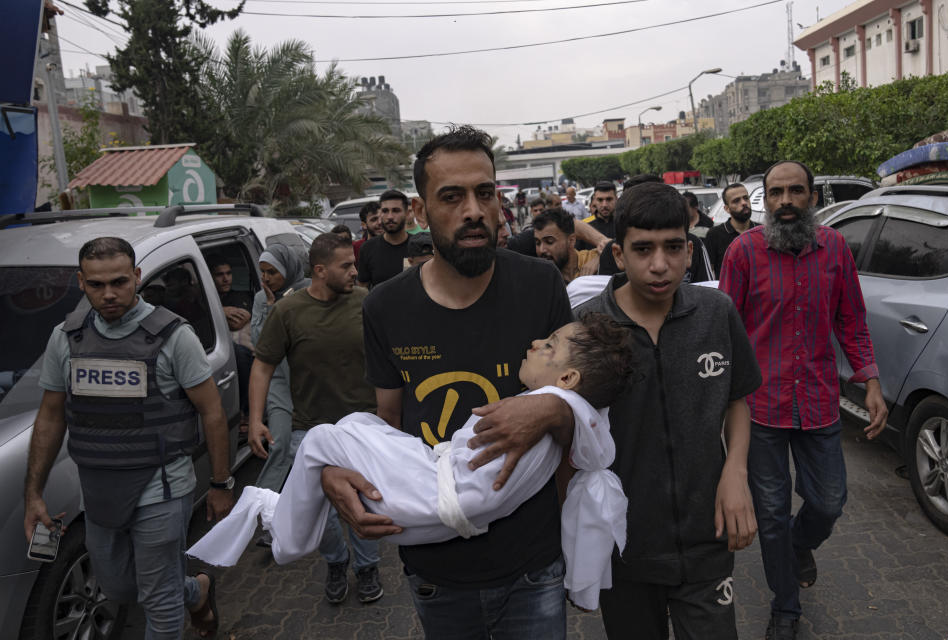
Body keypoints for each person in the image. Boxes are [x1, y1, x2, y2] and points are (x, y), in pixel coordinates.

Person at [188, 314, 633, 612]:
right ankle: (284, 518)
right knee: (357, 426)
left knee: (324, 436)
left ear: (568, 379)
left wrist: (552, 404)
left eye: (550, 345)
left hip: (433, 501)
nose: (536, 342)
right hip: (440, 500)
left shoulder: (550, 408)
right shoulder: (576, 420)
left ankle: (283, 529)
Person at [322, 126, 580, 639]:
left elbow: (580, 405)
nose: (473, 210)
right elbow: (387, 424)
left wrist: (551, 413)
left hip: (533, 562)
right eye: (452, 196)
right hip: (435, 569)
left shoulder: (539, 283)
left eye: (484, 193)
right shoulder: (385, 307)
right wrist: (336, 471)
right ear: (420, 211)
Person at [574, 182, 763, 640]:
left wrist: (736, 472)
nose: (660, 264)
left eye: (673, 247)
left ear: (690, 247)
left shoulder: (716, 313)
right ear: (618, 255)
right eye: (643, 249)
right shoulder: (586, 330)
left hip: (707, 536)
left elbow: (737, 398)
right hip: (624, 546)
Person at [24, 237, 233, 638]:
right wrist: (33, 494)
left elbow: (212, 412)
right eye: (97, 285)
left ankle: (178, 596)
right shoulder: (66, 338)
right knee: (119, 587)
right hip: (99, 488)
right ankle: (196, 590)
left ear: (137, 277)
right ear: (81, 282)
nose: (109, 294)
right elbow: (50, 417)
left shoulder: (173, 336)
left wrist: (221, 483)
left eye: (119, 282)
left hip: (162, 486)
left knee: (159, 601)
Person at [719, 161, 888, 640]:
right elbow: (726, 333)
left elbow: (851, 320)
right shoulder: (742, 253)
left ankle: (800, 543)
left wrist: (870, 381)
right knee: (769, 514)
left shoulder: (835, 249)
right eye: (776, 193)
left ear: (812, 197)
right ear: (764, 200)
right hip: (761, 407)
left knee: (829, 501)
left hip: (818, 401)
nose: (785, 201)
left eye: (796, 191)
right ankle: (785, 606)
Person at [248, 233, 383, 604]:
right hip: (308, 429)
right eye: (346, 266)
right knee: (319, 510)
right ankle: (336, 561)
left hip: (362, 426)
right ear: (320, 271)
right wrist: (257, 420)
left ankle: (368, 567)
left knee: (363, 501)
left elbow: (389, 359)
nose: (355, 271)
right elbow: (262, 366)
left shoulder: (365, 302)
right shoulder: (288, 312)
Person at [248, 243, 310, 535]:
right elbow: (261, 343)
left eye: (272, 272)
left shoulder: (308, 291)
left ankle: (309, 510)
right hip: (278, 382)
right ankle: (263, 514)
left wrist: (280, 309)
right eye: (262, 272)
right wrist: (271, 308)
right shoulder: (262, 298)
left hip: (308, 379)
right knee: (280, 443)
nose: (267, 279)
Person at [206, 254, 254, 431]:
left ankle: (246, 411)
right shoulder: (204, 299)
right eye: (219, 274)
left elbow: (237, 322)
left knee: (241, 355)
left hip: (239, 350)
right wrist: (221, 312)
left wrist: (214, 313)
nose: (226, 278)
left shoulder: (240, 296)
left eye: (228, 273)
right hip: (213, 349)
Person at [357, 189, 411, 289]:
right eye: (385, 211)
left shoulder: (418, 246)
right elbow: (362, 289)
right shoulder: (368, 248)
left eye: (396, 210)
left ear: (407, 214)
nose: (390, 216)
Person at [703, 183, 758, 276]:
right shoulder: (714, 235)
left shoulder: (761, 231)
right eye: (736, 201)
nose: (744, 203)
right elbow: (709, 270)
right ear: (727, 209)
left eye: (746, 198)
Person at [534, 208, 599, 283]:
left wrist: (600, 258)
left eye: (549, 241)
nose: (541, 249)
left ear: (571, 241)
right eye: (537, 243)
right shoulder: (540, 279)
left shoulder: (592, 258)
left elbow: (612, 246)